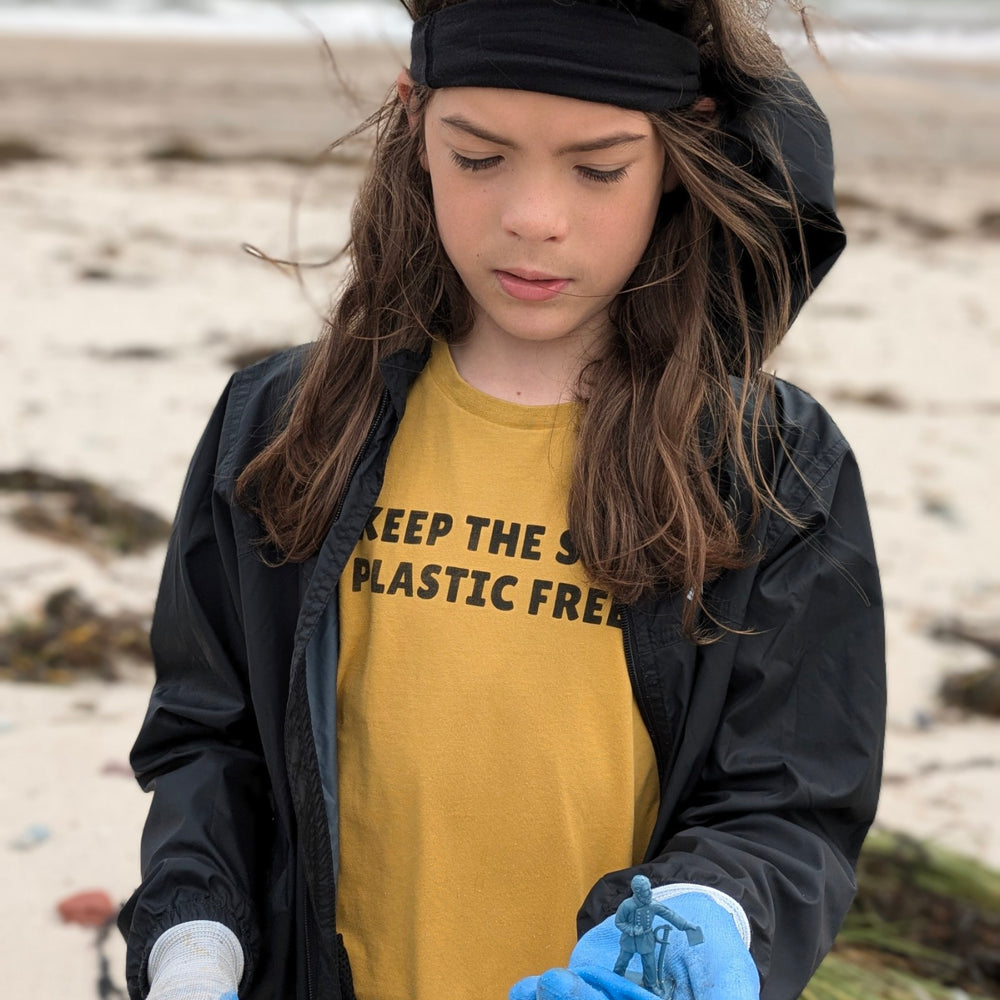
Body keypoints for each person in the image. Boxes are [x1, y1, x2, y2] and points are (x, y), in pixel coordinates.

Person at [117, 1, 885, 999]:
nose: (533, 216)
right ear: (414, 124)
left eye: (598, 167)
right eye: (478, 157)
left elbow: (789, 803)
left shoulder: (773, 466)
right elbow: (207, 741)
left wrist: (701, 920)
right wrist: (192, 947)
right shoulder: (279, 427)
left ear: (679, 146)